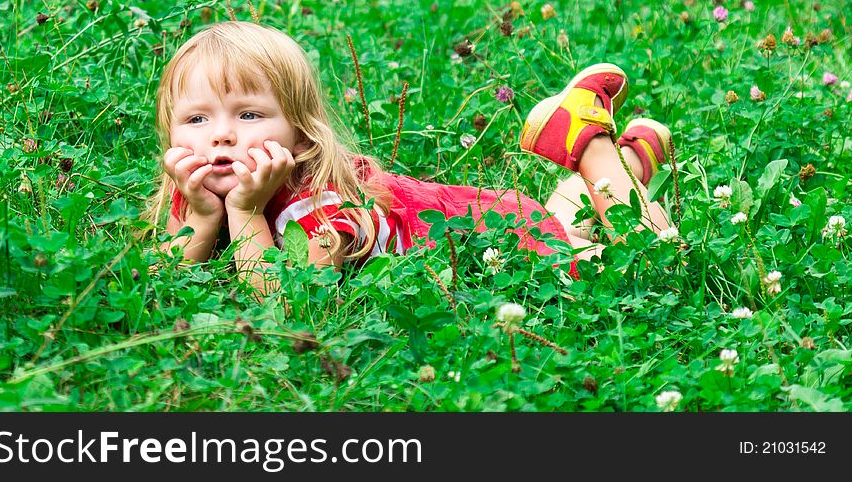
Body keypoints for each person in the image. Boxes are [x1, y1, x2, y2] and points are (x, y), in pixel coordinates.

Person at [145, 21, 673, 297]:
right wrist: (203, 217)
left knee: (653, 261)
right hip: (500, 216)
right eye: (195, 120)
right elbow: (166, 283)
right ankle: (629, 161)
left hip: (491, 238)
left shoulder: (322, 206)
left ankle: (593, 145)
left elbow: (287, 303)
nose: (220, 138)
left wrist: (245, 212)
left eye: (249, 115)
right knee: (563, 221)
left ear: (303, 135)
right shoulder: (201, 182)